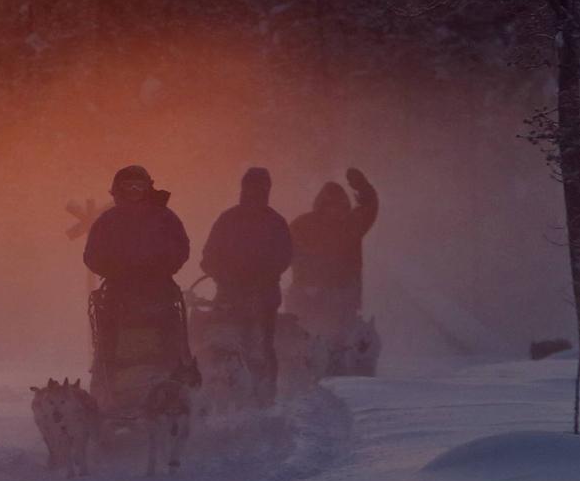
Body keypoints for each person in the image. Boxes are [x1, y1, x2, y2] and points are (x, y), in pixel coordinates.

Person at [83, 165, 193, 398]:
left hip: (159, 292)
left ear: (147, 188)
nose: (134, 191)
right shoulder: (108, 220)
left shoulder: (165, 218)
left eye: (139, 186)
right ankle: (105, 390)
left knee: (171, 343)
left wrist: (158, 269)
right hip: (117, 293)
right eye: (128, 186)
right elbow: (92, 255)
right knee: (108, 346)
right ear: (117, 190)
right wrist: (117, 270)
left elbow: (181, 249)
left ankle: (176, 389)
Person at [200, 167, 293, 405]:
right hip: (230, 295)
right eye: (252, 187)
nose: (255, 192)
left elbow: (284, 256)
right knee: (225, 342)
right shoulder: (229, 219)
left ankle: (265, 392)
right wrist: (222, 275)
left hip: (263, 297)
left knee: (261, 344)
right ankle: (221, 390)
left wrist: (260, 278)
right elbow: (209, 255)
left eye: (260, 187)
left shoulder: (274, 222)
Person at [288, 167, 378, 345]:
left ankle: (339, 360)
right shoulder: (302, 225)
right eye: (332, 206)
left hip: (342, 293)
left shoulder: (351, 224)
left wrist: (363, 188)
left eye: (341, 206)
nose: (336, 211)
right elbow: (286, 253)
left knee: (339, 337)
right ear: (322, 205)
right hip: (308, 293)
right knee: (306, 333)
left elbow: (369, 208)